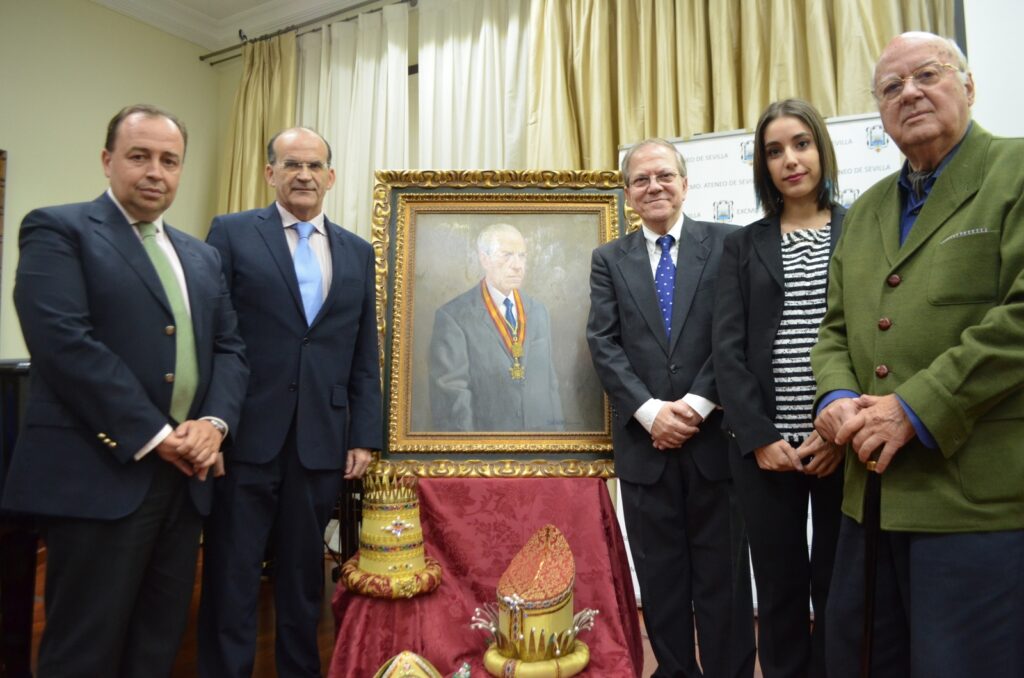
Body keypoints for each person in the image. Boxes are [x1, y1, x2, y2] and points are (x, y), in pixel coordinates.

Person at [1, 104, 248, 677]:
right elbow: (63, 344)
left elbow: (231, 351)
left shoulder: (202, 255)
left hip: (186, 480)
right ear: (108, 160)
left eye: (169, 160)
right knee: (82, 650)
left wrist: (213, 424)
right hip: (100, 475)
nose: (154, 171)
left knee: (157, 644)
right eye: (139, 156)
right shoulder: (57, 229)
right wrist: (156, 434)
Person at [811, 32, 1024, 677]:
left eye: (926, 75)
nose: (909, 93)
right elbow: (836, 330)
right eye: (891, 87)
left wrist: (914, 407)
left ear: (967, 84)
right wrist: (836, 397)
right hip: (869, 502)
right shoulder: (869, 209)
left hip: (975, 507)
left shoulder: (1013, 170)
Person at [198, 127, 383, 677]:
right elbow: (213, 337)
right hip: (245, 436)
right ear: (270, 172)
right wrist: (215, 426)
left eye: (315, 165)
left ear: (330, 176)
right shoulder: (231, 234)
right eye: (291, 164)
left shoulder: (357, 250)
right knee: (232, 574)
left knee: (304, 579)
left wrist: (363, 434)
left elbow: (362, 349)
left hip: (320, 441)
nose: (304, 174)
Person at [587, 138, 755, 678]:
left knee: (723, 579)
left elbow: (734, 335)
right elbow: (604, 343)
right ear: (627, 194)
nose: (654, 186)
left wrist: (696, 405)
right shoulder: (609, 259)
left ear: (685, 184)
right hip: (645, 450)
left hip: (716, 443)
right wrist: (650, 413)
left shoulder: (728, 244)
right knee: (660, 581)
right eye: (641, 179)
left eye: (664, 176)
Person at [713, 99, 845, 678]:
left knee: (840, 587)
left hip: (843, 439)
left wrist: (841, 429)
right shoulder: (742, 246)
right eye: (774, 150)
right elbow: (728, 350)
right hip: (766, 450)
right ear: (763, 166)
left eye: (801, 143)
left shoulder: (861, 228)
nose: (790, 159)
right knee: (781, 588)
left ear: (821, 148)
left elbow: (874, 338)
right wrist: (760, 436)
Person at [429, 223, 563, 431]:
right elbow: (452, 397)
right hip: (486, 450)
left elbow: (550, 386)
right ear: (484, 259)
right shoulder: (453, 316)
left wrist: (558, 448)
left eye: (522, 256)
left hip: (540, 448)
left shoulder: (539, 311)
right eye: (506, 255)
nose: (517, 265)